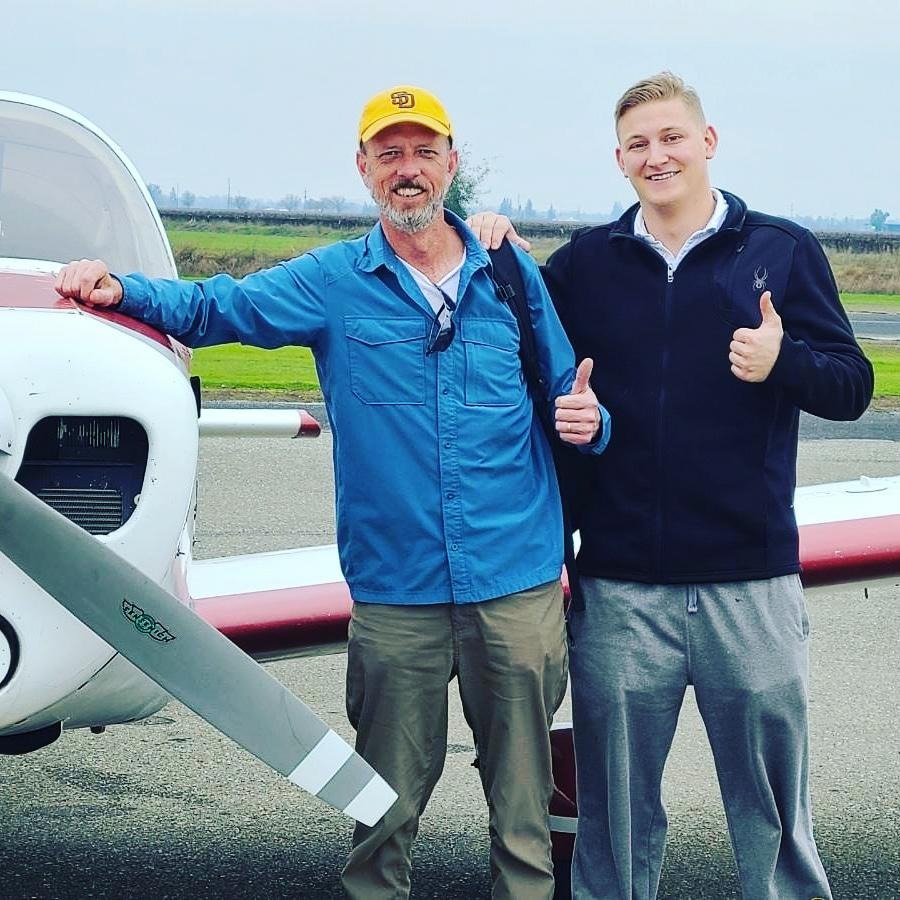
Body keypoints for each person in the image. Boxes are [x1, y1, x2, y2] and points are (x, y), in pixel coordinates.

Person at [55, 84, 610, 899]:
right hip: (397, 590)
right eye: (390, 154)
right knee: (382, 806)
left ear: (451, 163)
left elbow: (572, 394)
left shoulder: (511, 275)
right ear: (364, 169)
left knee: (524, 808)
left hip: (514, 584)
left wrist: (591, 420)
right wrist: (120, 290)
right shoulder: (332, 281)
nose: (408, 169)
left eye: (423, 152)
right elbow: (216, 308)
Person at [469, 72, 873, 900]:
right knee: (614, 825)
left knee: (773, 818)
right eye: (639, 144)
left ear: (707, 141)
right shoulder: (585, 265)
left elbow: (852, 385)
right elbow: (526, 361)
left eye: (672, 137)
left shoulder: (782, 251)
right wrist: (495, 244)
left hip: (750, 584)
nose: (657, 156)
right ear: (619, 159)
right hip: (621, 591)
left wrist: (784, 361)